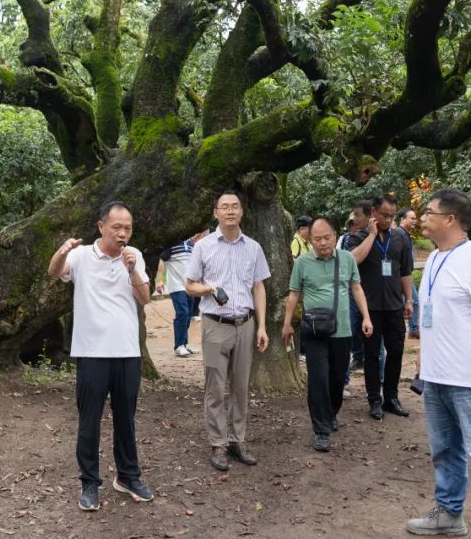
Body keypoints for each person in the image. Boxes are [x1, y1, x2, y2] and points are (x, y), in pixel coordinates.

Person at [407, 189, 471, 539]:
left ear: (450, 219)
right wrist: (423, 354)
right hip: (435, 376)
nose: (423, 218)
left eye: (429, 212)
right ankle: (449, 514)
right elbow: (437, 314)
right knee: (444, 450)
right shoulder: (435, 258)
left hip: (469, 378)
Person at [48, 201, 154, 512]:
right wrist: (62, 251)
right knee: (89, 421)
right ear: (101, 227)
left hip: (126, 351)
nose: (122, 233)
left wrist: (132, 268)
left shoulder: (134, 257)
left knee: (126, 420)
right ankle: (89, 483)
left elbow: (145, 298)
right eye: (117, 227)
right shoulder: (81, 256)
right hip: (92, 352)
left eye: (128, 228)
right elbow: (54, 272)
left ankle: (128, 476)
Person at [185, 188, 270, 472]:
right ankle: (218, 444)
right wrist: (209, 288)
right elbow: (189, 285)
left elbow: (258, 286)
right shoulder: (203, 247)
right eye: (225, 206)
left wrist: (262, 326)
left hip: (245, 324)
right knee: (215, 387)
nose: (230, 211)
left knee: (241, 386)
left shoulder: (253, 247)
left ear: (242, 212)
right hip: (214, 324)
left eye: (235, 206)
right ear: (216, 212)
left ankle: (238, 440)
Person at [283, 217, 372, 452]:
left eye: (326, 238)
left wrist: (366, 316)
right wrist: (287, 324)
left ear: (335, 235)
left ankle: (331, 413)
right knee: (318, 378)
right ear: (309, 239)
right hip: (313, 330)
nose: (322, 243)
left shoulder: (346, 259)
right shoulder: (302, 262)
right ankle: (321, 429)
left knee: (336, 378)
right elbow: (294, 294)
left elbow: (356, 288)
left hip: (341, 330)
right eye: (317, 239)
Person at [349, 194, 414, 420]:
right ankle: (374, 399)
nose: (388, 219)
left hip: (395, 306)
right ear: (374, 213)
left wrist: (408, 300)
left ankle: (391, 397)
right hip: (371, 307)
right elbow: (353, 260)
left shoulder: (400, 239)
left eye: (392, 215)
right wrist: (372, 235)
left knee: (396, 351)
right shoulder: (357, 237)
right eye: (384, 215)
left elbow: (405, 272)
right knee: (372, 354)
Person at [157, 228, 209, 357]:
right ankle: (179, 346)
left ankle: (184, 344)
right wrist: (158, 280)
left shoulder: (192, 246)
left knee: (188, 315)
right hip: (176, 286)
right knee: (182, 313)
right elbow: (162, 260)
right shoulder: (172, 244)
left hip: (189, 286)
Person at [343, 200, 374, 380]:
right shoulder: (353, 238)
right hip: (353, 293)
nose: (354, 219)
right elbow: (353, 259)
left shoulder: (389, 236)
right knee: (346, 335)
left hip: (376, 296)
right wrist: (371, 236)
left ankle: (378, 385)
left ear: (370, 215)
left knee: (377, 345)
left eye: (357, 215)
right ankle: (344, 381)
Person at [398, 208, 421, 337]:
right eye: (411, 218)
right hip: (402, 276)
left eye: (415, 218)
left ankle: (412, 328)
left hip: (407, 274)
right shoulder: (399, 234)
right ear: (402, 219)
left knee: (410, 302)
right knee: (413, 301)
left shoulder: (406, 234)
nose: (414, 221)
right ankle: (413, 329)